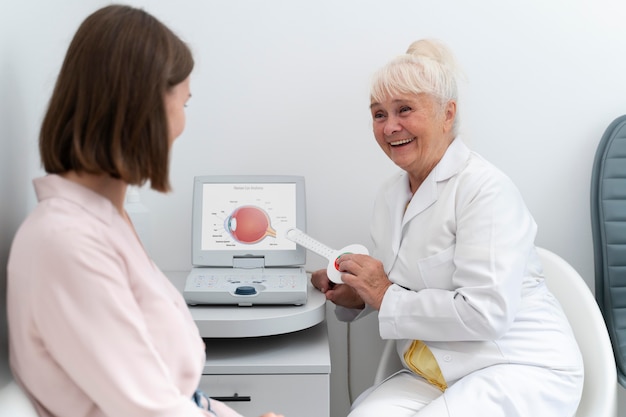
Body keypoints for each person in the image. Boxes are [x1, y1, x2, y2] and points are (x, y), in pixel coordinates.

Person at [6, 5, 284, 417]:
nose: (181, 127)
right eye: (184, 105)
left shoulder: (106, 222)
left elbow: (173, 398)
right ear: (145, 109)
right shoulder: (65, 243)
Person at [311, 39, 584, 417]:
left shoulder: (485, 189)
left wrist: (384, 294)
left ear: (447, 114)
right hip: (437, 372)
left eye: (404, 109)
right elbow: (406, 285)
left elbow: (486, 312)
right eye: (378, 114)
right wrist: (359, 293)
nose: (390, 127)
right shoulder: (390, 195)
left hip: (516, 368)